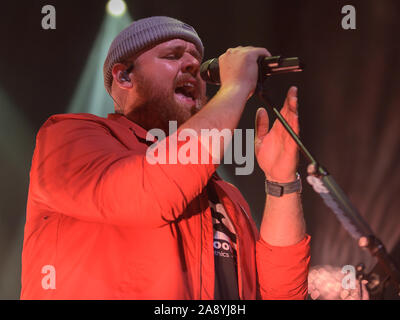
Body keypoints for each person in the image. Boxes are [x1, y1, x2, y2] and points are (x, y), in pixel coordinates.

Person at [20, 16, 310, 300]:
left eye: (197, 62)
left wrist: (280, 181)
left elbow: (282, 294)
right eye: (173, 55)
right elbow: (150, 193)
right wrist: (234, 88)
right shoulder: (69, 137)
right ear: (124, 76)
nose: (193, 66)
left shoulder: (226, 196)